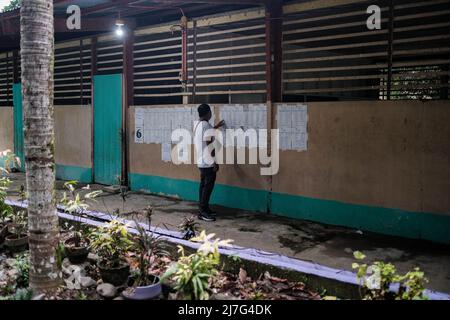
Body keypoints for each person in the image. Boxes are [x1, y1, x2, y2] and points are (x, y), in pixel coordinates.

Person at [194, 104, 225, 222]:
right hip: (207, 162)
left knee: (203, 186)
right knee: (207, 187)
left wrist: (217, 126)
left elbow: (208, 133)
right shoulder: (206, 126)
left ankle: (204, 208)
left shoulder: (199, 125)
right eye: (210, 112)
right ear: (208, 113)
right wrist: (214, 161)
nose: (211, 114)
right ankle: (203, 212)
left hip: (201, 161)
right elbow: (208, 143)